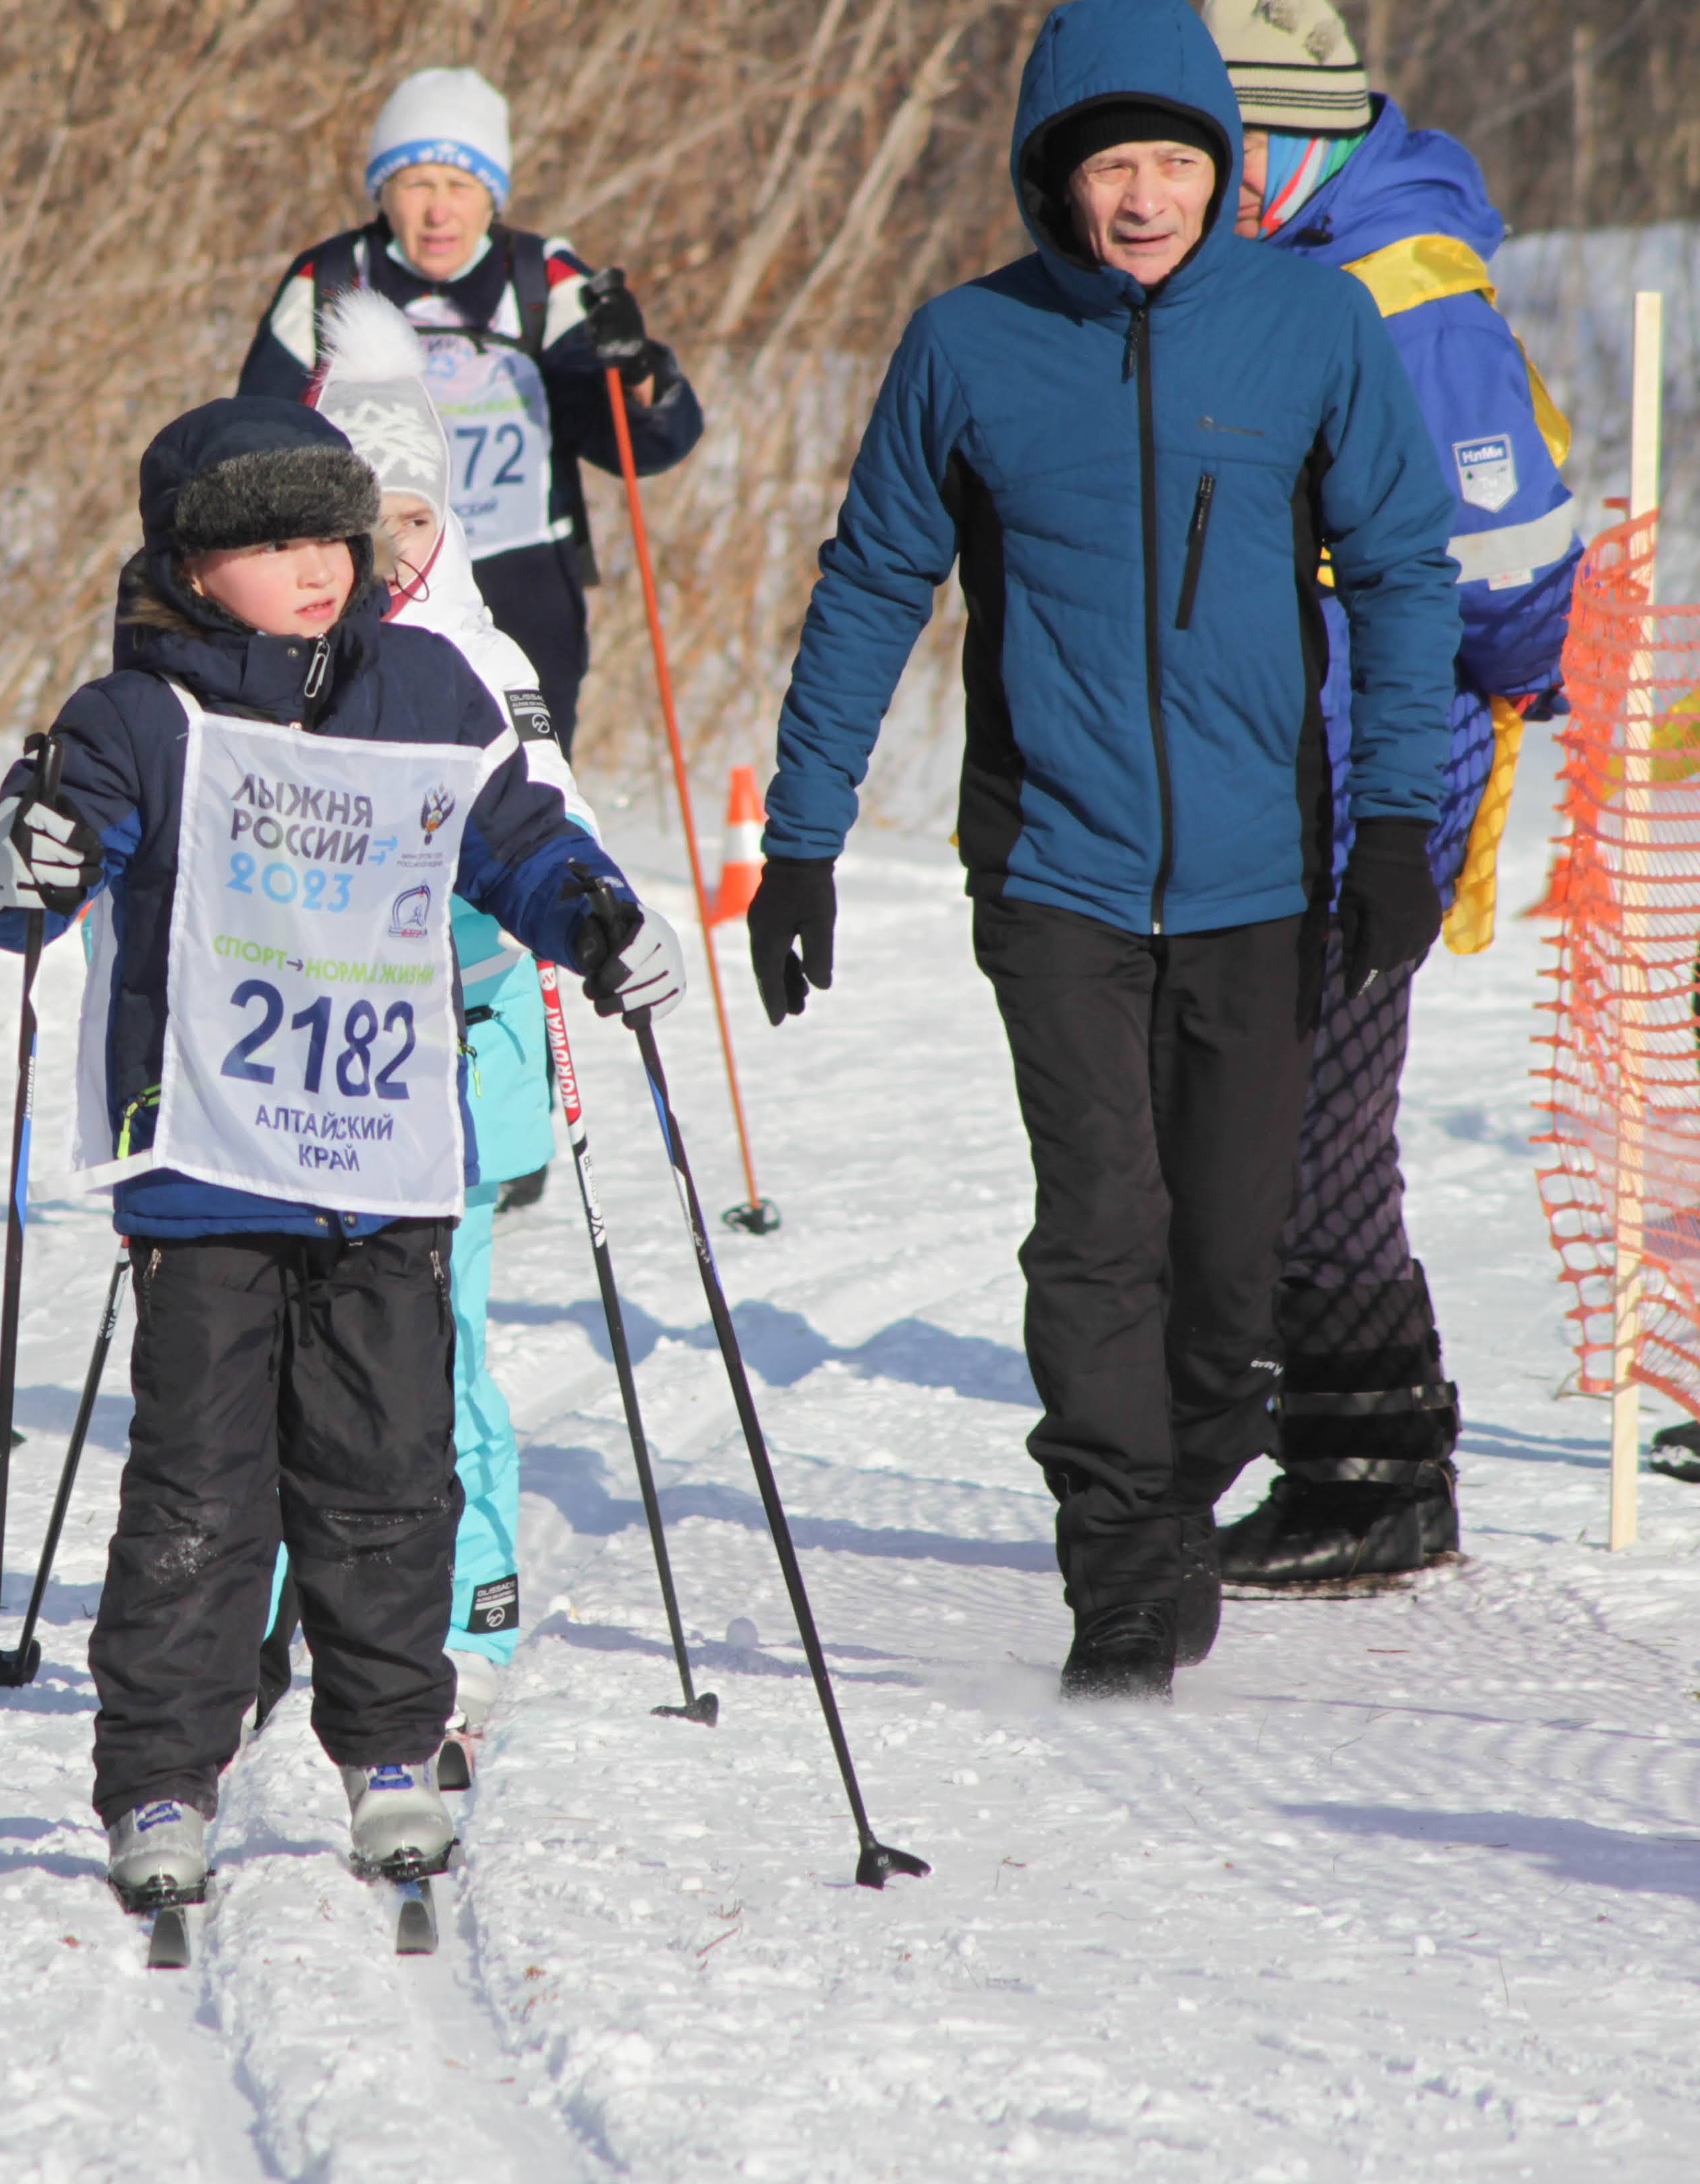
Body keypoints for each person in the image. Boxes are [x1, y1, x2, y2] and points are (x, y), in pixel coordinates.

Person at [748, 0, 1462, 1700]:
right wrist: (801, 840)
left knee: (1224, 1258)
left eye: (1172, 163)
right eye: (1109, 167)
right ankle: (1119, 1569)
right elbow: (871, 585)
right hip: (1051, 865)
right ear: (1049, 177)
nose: (1142, 198)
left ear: (1219, 166)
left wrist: (1389, 822)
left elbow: (1401, 573)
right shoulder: (967, 345)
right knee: (1093, 1227)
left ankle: (1181, 1480)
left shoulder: (1308, 325)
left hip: (1261, 872)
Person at [0, 396, 679, 1903]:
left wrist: (595, 914)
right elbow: (23, 876)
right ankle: (162, 1774)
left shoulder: (425, 688)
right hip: (206, 1168)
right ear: (192, 567)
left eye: (327, 536)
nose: (316, 567)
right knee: (198, 1492)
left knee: (386, 1476)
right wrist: (12, 861)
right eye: (271, 544)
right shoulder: (136, 716)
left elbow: (515, 839)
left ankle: (391, 1749)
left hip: (384, 1159)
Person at [1198, 0, 1582, 1585]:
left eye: (1230, 146)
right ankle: (1314, 1429)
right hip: (1264, 754)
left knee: (1318, 1126)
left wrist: (1511, 673)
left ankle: (1373, 1481)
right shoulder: (1275, 259)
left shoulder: (1403, 287)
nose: (1204, 176)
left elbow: (1510, 554)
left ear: (1298, 139)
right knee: (1258, 1114)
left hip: (1378, 764)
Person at [304, 290, 687, 1753]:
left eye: (411, 518)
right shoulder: (277, 657)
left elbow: (550, 828)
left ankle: (468, 1605)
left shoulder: (485, 660)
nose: (387, 549)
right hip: (299, 1064)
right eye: (359, 519)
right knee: (287, 1342)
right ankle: (282, 1605)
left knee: (435, 1342)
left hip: (456, 1055)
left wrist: (598, 920)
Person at [236, 65, 704, 765]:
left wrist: (639, 368)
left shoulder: (544, 281)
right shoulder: (329, 279)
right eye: (416, 183)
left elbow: (643, 447)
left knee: (520, 780)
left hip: (522, 581)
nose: (438, 212)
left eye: (459, 186)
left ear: (492, 197)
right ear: (382, 192)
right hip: (367, 577)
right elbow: (254, 443)